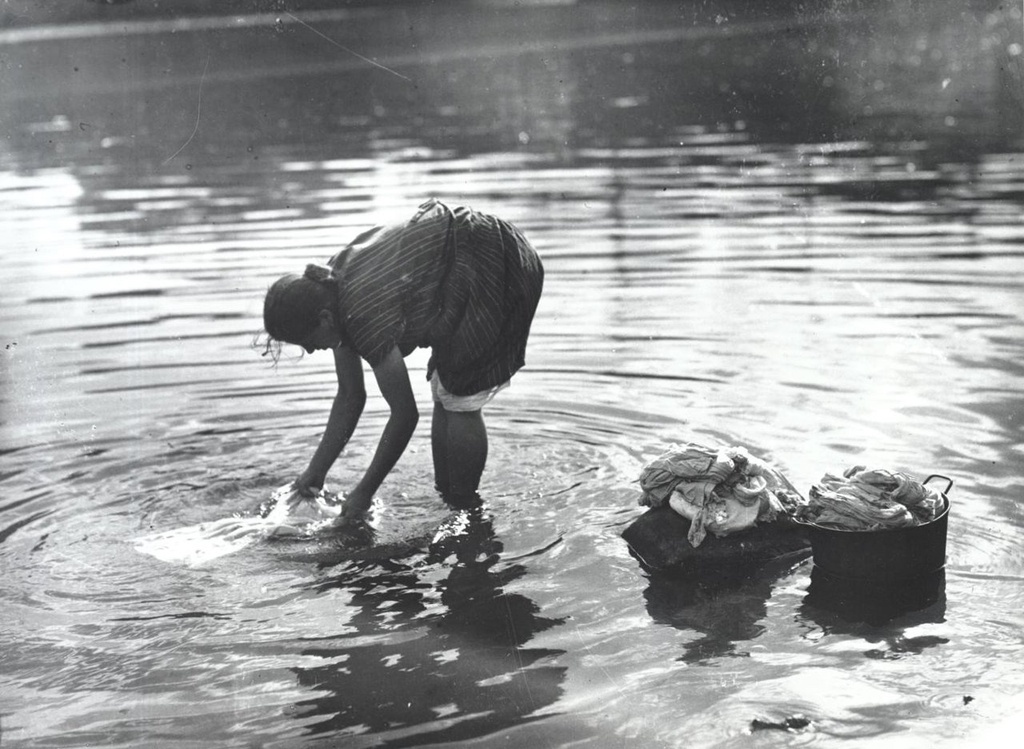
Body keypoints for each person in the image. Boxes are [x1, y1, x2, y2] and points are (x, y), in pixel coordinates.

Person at [261, 199, 543, 521]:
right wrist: (314, 473)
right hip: (463, 261)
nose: (311, 351)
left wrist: (364, 493)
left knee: (460, 399)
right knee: (446, 393)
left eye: (308, 343)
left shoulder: (360, 312)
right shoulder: (328, 289)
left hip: (495, 264)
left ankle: (467, 508)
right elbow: (350, 396)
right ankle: (449, 499)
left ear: (324, 320)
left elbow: (405, 415)